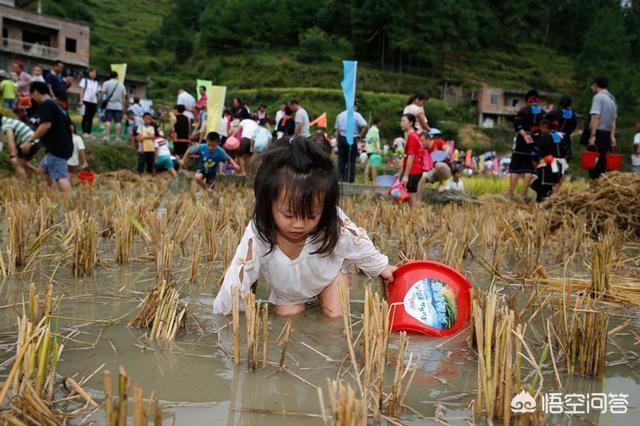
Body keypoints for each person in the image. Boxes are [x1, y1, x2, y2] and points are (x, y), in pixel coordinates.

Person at [212, 137, 396, 317]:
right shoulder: (259, 232)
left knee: (335, 318)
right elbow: (239, 276)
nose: (299, 224)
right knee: (289, 323)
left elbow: (356, 242)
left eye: (311, 215)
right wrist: (226, 314)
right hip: (289, 292)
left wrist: (381, 266)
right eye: (289, 215)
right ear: (267, 203)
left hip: (329, 276)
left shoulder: (331, 219)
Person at [21, 81, 73, 192]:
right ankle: (50, 196)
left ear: (35, 92)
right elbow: (70, 126)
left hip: (57, 148)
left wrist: (30, 141)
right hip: (63, 145)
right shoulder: (57, 105)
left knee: (61, 177)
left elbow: (45, 125)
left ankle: (68, 204)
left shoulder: (46, 105)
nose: (32, 99)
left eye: (31, 96)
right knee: (42, 170)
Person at [507, 89, 544, 200]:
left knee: (514, 168)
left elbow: (517, 125)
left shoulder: (523, 110)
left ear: (527, 100)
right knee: (529, 169)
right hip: (535, 142)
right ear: (538, 100)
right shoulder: (543, 113)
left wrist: (524, 135)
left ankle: (511, 191)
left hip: (522, 143)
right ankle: (524, 193)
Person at [587, 76, 617, 180]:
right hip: (607, 134)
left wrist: (593, 135)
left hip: (598, 133)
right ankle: (601, 182)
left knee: (593, 161)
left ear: (596, 85)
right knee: (602, 161)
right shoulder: (612, 98)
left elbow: (596, 116)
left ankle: (594, 184)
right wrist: (612, 136)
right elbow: (613, 120)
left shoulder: (598, 97)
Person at [547, 95, 577, 190]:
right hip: (566, 139)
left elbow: (545, 119)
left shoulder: (555, 113)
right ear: (570, 104)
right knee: (564, 165)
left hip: (554, 138)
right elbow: (573, 127)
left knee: (551, 161)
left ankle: (548, 185)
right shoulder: (573, 115)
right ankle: (557, 189)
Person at [334, 104, 368, 183]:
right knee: (351, 161)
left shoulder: (340, 115)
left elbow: (336, 130)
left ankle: (340, 178)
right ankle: (349, 179)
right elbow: (365, 126)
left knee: (341, 160)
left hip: (341, 138)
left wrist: (337, 141)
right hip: (352, 138)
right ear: (354, 107)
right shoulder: (356, 115)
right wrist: (360, 136)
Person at [530, 119, 561, 202]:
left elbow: (534, 154)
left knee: (541, 188)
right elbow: (567, 153)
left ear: (544, 127)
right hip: (560, 166)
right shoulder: (560, 137)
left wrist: (536, 166)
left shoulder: (544, 137)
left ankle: (539, 206)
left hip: (547, 165)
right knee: (550, 187)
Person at [396, 114, 423, 208]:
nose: (401, 123)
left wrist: (406, 176)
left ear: (411, 123)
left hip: (414, 170)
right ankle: (413, 218)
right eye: (401, 121)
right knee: (410, 197)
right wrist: (401, 172)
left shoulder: (412, 137)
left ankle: (414, 218)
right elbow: (407, 156)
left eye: (404, 121)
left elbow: (411, 157)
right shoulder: (413, 135)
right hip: (414, 169)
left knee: (411, 198)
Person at [1, 112, 38, 178]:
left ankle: (24, 187)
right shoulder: (7, 120)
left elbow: (10, 139)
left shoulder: (5, 124)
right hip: (33, 141)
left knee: (17, 164)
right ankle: (38, 172)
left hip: (29, 142)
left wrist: (12, 155)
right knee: (20, 161)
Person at [101, 72, 127, 141]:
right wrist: (123, 107)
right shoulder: (121, 85)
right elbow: (124, 97)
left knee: (108, 121)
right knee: (118, 122)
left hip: (109, 105)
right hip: (118, 106)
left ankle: (107, 136)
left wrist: (102, 103)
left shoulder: (106, 83)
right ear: (117, 76)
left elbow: (102, 94)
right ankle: (117, 137)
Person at [78, 68, 101, 138]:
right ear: (89, 73)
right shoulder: (84, 80)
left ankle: (89, 132)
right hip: (85, 100)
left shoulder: (97, 83)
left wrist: (98, 93)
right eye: (92, 72)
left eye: (95, 73)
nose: (93, 74)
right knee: (85, 117)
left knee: (91, 117)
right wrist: (81, 100)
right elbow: (81, 90)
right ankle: (84, 132)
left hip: (93, 102)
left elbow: (99, 91)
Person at [364, 117, 382, 185]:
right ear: (378, 123)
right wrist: (377, 149)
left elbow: (368, 140)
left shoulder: (370, 129)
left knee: (368, 166)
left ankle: (366, 182)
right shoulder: (375, 130)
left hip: (369, 149)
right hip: (373, 150)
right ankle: (375, 182)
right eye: (380, 123)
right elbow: (374, 140)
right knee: (374, 167)